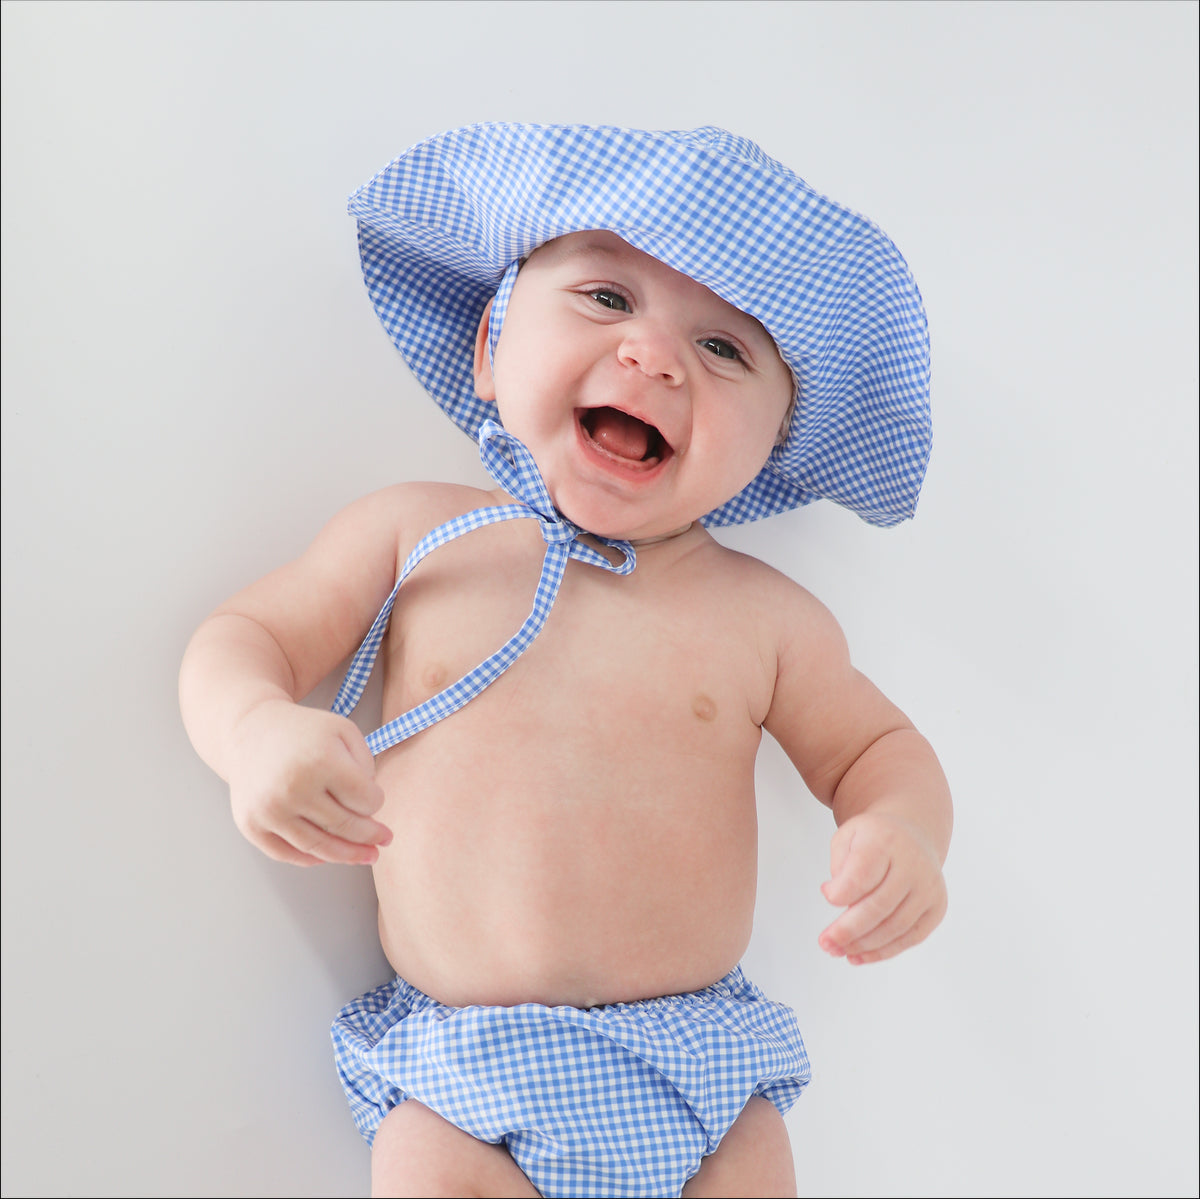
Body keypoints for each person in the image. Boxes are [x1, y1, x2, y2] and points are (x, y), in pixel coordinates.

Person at [179, 123, 953, 1199]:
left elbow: (877, 745)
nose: (653, 356)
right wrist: (256, 730)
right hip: (465, 1076)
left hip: (701, 1071)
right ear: (490, 346)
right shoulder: (414, 535)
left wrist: (904, 828)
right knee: (420, 1172)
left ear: (775, 442)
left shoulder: (766, 617)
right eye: (604, 298)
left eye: (725, 349)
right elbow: (243, 639)